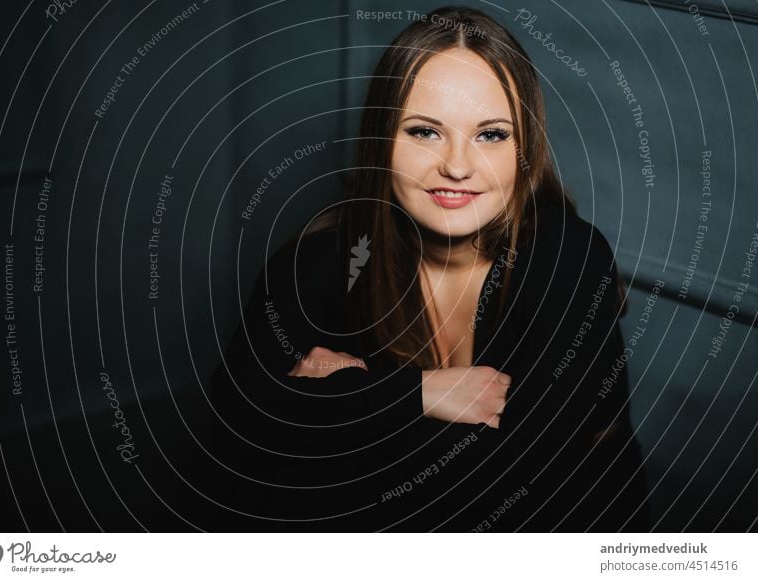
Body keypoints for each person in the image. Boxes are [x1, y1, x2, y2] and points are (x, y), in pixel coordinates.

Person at [210, 5, 650, 532]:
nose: (458, 166)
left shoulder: (568, 258)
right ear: (382, 140)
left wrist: (337, 404)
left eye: (491, 135)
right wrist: (420, 394)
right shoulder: (323, 260)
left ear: (525, 150)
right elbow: (233, 435)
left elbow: (524, 487)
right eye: (424, 132)